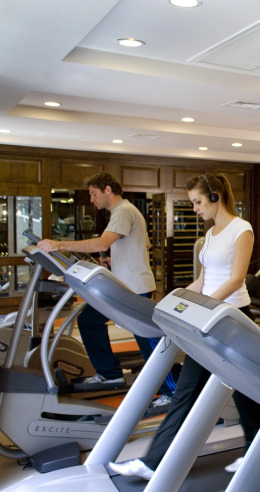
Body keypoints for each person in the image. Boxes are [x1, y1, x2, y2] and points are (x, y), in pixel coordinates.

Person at [108, 173, 260, 479]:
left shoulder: (241, 229)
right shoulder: (211, 234)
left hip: (233, 318)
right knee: (191, 389)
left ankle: (253, 449)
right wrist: (175, 298)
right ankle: (154, 461)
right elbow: (203, 281)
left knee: (242, 390)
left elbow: (236, 280)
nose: (195, 208)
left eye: (198, 201)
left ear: (215, 196)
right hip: (210, 316)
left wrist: (204, 307)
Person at [37, 172, 177, 404]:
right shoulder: (125, 211)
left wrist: (58, 244)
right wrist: (117, 261)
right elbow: (146, 243)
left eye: (94, 194)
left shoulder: (123, 211)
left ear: (108, 190)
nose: (91, 199)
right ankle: (110, 373)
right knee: (89, 320)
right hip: (123, 287)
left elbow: (102, 243)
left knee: (148, 340)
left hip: (134, 288)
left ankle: (173, 392)